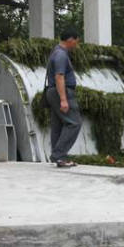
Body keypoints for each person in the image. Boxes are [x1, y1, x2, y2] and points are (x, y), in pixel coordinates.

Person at [45, 28, 83, 167]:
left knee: (58, 125)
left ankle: (58, 157)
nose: (76, 45)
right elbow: (59, 76)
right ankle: (59, 155)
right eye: (76, 42)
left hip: (53, 91)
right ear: (70, 40)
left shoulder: (55, 52)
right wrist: (63, 99)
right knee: (74, 123)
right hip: (61, 92)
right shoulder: (61, 54)